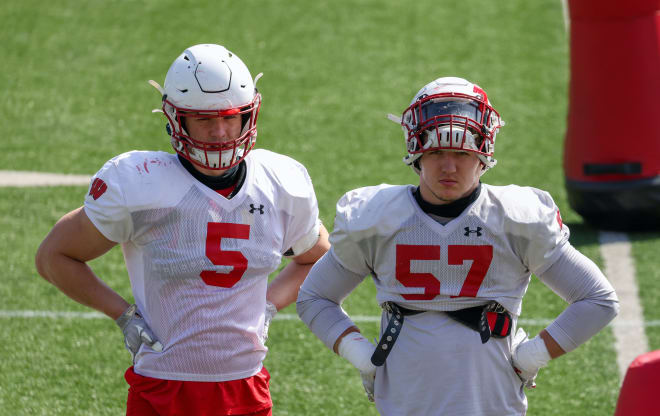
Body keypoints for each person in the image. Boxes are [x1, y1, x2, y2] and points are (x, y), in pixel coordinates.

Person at [35, 43, 330, 416]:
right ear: (177, 119)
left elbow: (317, 259)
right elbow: (54, 257)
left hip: (246, 385)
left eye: (230, 117)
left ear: (249, 114)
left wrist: (268, 305)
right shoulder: (139, 184)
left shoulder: (280, 183)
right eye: (204, 119)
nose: (220, 132)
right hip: (162, 386)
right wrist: (123, 315)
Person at [296, 77, 619, 415]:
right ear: (417, 151)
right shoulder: (377, 219)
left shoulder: (515, 219)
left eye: (462, 153)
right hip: (407, 399)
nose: (448, 166)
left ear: (483, 156)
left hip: (491, 399)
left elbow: (597, 299)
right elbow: (315, 297)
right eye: (436, 152)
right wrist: (362, 355)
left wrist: (531, 356)